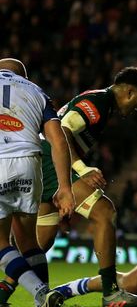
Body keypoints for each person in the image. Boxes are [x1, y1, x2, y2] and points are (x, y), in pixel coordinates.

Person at [35, 66, 137, 306]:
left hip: (45, 163)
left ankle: (10, 292)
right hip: (50, 160)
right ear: (129, 92)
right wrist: (82, 169)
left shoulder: (103, 106)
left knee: (39, 244)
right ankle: (111, 293)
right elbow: (62, 130)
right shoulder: (99, 101)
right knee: (104, 212)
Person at [0, 58, 75, 307]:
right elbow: (58, 141)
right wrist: (65, 188)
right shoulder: (36, 91)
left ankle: (41, 293)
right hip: (30, 162)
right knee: (28, 240)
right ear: (25, 76)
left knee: (1, 242)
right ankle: (42, 302)